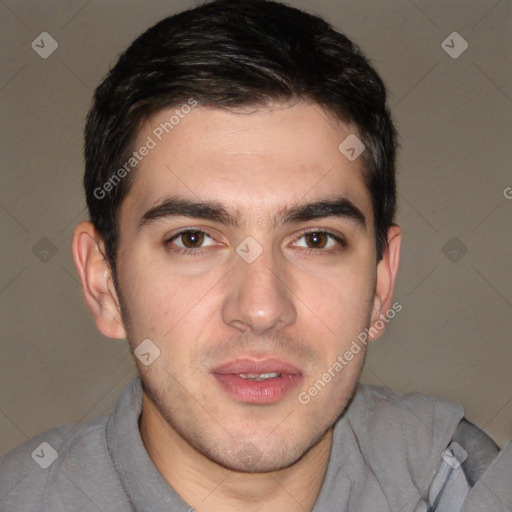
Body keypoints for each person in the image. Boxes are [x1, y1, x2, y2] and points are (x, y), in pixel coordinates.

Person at [1, 1, 510, 510]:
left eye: (315, 240)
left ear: (381, 285)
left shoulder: (468, 488)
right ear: (103, 283)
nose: (262, 309)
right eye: (194, 239)